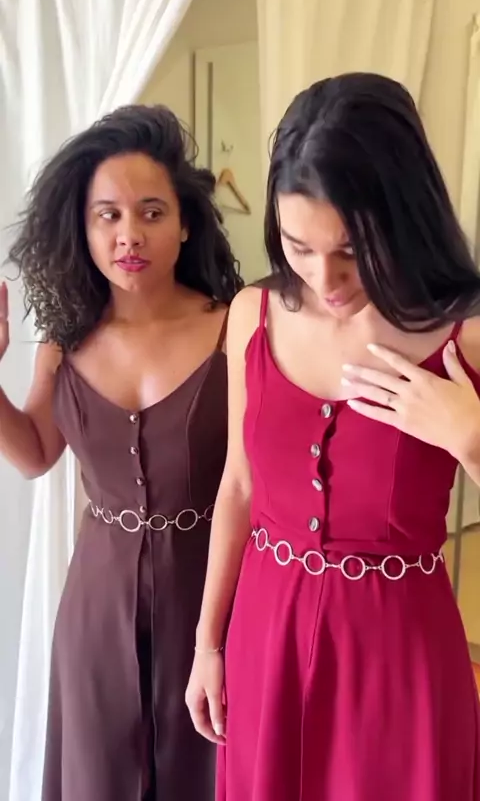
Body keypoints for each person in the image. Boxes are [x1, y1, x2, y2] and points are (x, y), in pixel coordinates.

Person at [186, 72, 480, 801]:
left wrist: (469, 436)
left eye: (353, 249)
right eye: (299, 247)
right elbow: (238, 486)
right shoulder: (252, 315)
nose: (326, 278)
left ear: (404, 215)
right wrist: (207, 643)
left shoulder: (466, 331)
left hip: (400, 657)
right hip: (265, 636)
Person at [3, 104, 243, 801]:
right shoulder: (64, 342)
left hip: (211, 603)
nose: (128, 234)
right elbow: (35, 452)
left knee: (206, 772)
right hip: (95, 610)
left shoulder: (235, 328)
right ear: (82, 228)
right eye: (106, 215)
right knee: (97, 777)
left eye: (150, 212)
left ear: (186, 223)